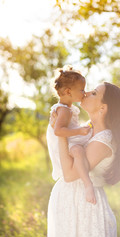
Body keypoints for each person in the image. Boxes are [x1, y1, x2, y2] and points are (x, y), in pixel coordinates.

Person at [47, 81, 120, 237]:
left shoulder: (105, 140)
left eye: (94, 93)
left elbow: (70, 175)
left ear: (102, 108)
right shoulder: (87, 128)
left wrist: (62, 133)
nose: (86, 92)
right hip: (68, 200)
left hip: (83, 206)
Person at [46, 66, 97, 205]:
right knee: (78, 151)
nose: (84, 92)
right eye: (81, 89)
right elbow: (58, 131)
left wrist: (80, 129)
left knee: (81, 145)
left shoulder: (66, 108)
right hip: (65, 142)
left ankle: (87, 182)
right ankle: (88, 184)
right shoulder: (64, 110)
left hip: (70, 138)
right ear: (68, 91)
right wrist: (79, 131)